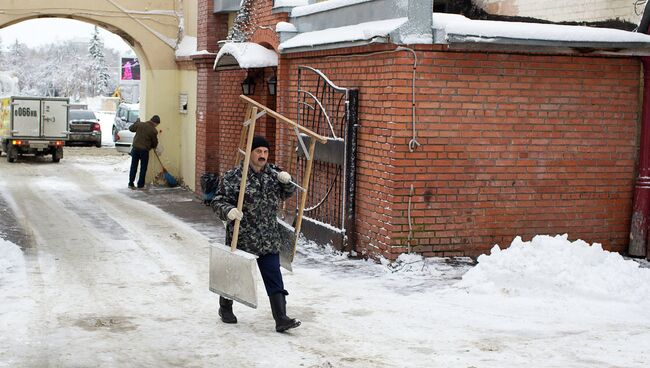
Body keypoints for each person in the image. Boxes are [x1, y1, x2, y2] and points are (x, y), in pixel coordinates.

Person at [211, 135, 301, 333]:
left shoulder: (274, 175)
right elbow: (217, 201)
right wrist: (228, 211)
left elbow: (288, 192)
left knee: (274, 277)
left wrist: (288, 181)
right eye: (258, 151)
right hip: (242, 236)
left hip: (268, 238)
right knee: (233, 274)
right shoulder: (234, 176)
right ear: (250, 153)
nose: (262, 156)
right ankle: (225, 307)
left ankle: (281, 318)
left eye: (265, 152)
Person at [128, 115, 160, 189]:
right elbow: (154, 143)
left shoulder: (140, 124)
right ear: (155, 123)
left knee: (133, 166)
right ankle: (140, 185)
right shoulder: (153, 130)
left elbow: (131, 128)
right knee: (143, 168)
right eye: (157, 125)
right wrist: (152, 147)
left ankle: (131, 183)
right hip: (144, 151)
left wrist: (136, 122)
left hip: (135, 149)